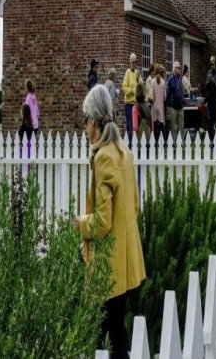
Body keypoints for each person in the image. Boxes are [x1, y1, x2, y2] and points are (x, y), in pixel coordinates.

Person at [73, 84, 146, 357]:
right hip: (127, 261)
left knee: (104, 337)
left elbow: (102, 222)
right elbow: (134, 206)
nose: (84, 126)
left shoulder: (102, 157)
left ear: (93, 121)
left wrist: (82, 223)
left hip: (109, 268)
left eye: (85, 120)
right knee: (116, 331)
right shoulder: (123, 151)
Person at [122, 54, 142, 140]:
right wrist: (132, 91)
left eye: (135, 62)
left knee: (137, 125)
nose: (134, 64)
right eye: (133, 62)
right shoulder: (127, 73)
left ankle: (136, 142)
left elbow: (141, 85)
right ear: (130, 63)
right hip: (129, 104)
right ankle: (130, 143)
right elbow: (124, 87)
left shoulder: (138, 73)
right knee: (130, 125)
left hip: (137, 104)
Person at [166, 61, 186, 141]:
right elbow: (168, 93)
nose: (180, 69)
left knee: (181, 126)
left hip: (180, 107)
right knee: (174, 127)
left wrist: (183, 100)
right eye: (178, 68)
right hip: (173, 108)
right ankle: (174, 144)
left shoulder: (180, 79)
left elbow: (181, 91)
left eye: (180, 68)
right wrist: (171, 104)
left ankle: (182, 143)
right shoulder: (170, 80)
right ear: (174, 69)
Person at [151, 65, 166, 143]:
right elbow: (165, 97)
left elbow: (151, 94)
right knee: (161, 124)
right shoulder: (163, 82)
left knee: (155, 124)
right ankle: (163, 140)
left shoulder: (152, 81)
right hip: (160, 106)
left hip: (154, 106)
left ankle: (155, 140)